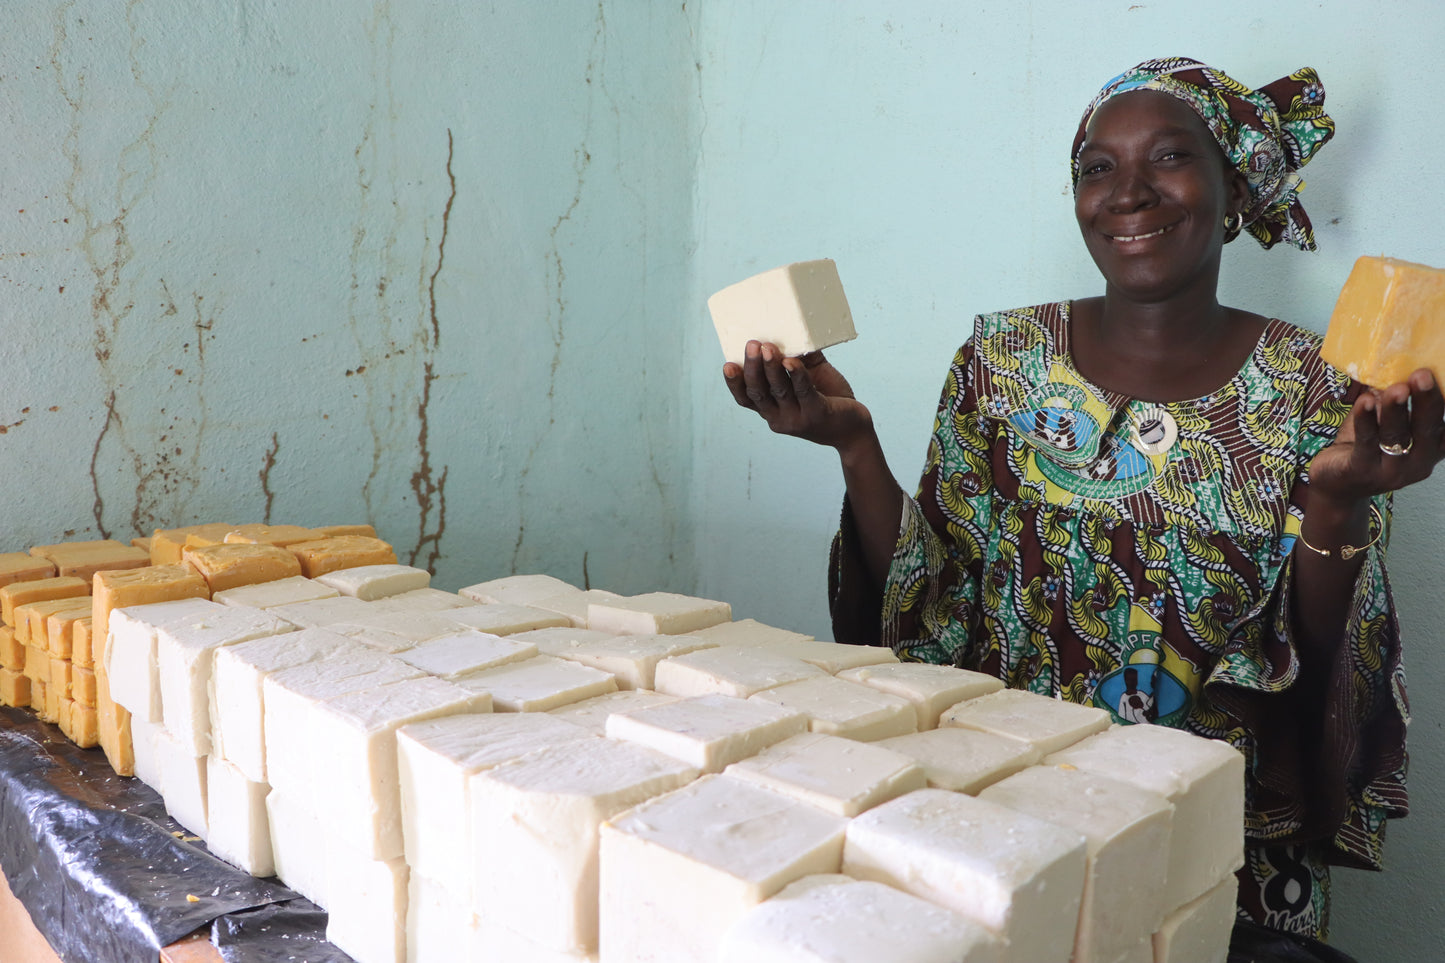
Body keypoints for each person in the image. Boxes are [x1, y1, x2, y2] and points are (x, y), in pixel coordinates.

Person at [722, 57, 1443, 941]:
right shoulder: (1000, 362)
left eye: (1168, 156)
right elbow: (931, 607)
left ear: (1233, 185)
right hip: (1001, 819)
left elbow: (1323, 665)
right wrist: (855, 446)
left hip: (1211, 849)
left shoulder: (1316, 389)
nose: (1127, 192)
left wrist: (1335, 505)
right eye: (1097, 167)